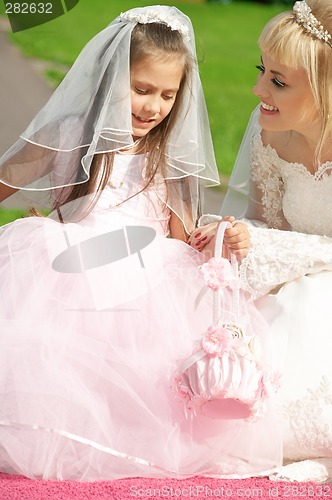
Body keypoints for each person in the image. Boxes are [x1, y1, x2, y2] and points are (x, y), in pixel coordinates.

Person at [0, 6, 281, 481]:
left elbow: (181, 235)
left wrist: (212, 236)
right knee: (56, 354)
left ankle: (124, 431)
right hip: (69, 267)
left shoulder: (165, 154)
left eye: (168, 95)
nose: (153, 107)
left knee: (139, 364)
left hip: (147, 276)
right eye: (142, 89)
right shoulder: (67, 134)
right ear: (111, 77)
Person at [191, 0, 332, 483]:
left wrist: (276, 249)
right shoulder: (272, 137)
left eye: (279, 81)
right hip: (301, 278)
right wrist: (238, 238)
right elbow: (267, 225)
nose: (258, 91)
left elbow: (285, 246)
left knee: (312, 302)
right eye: (262, 71)